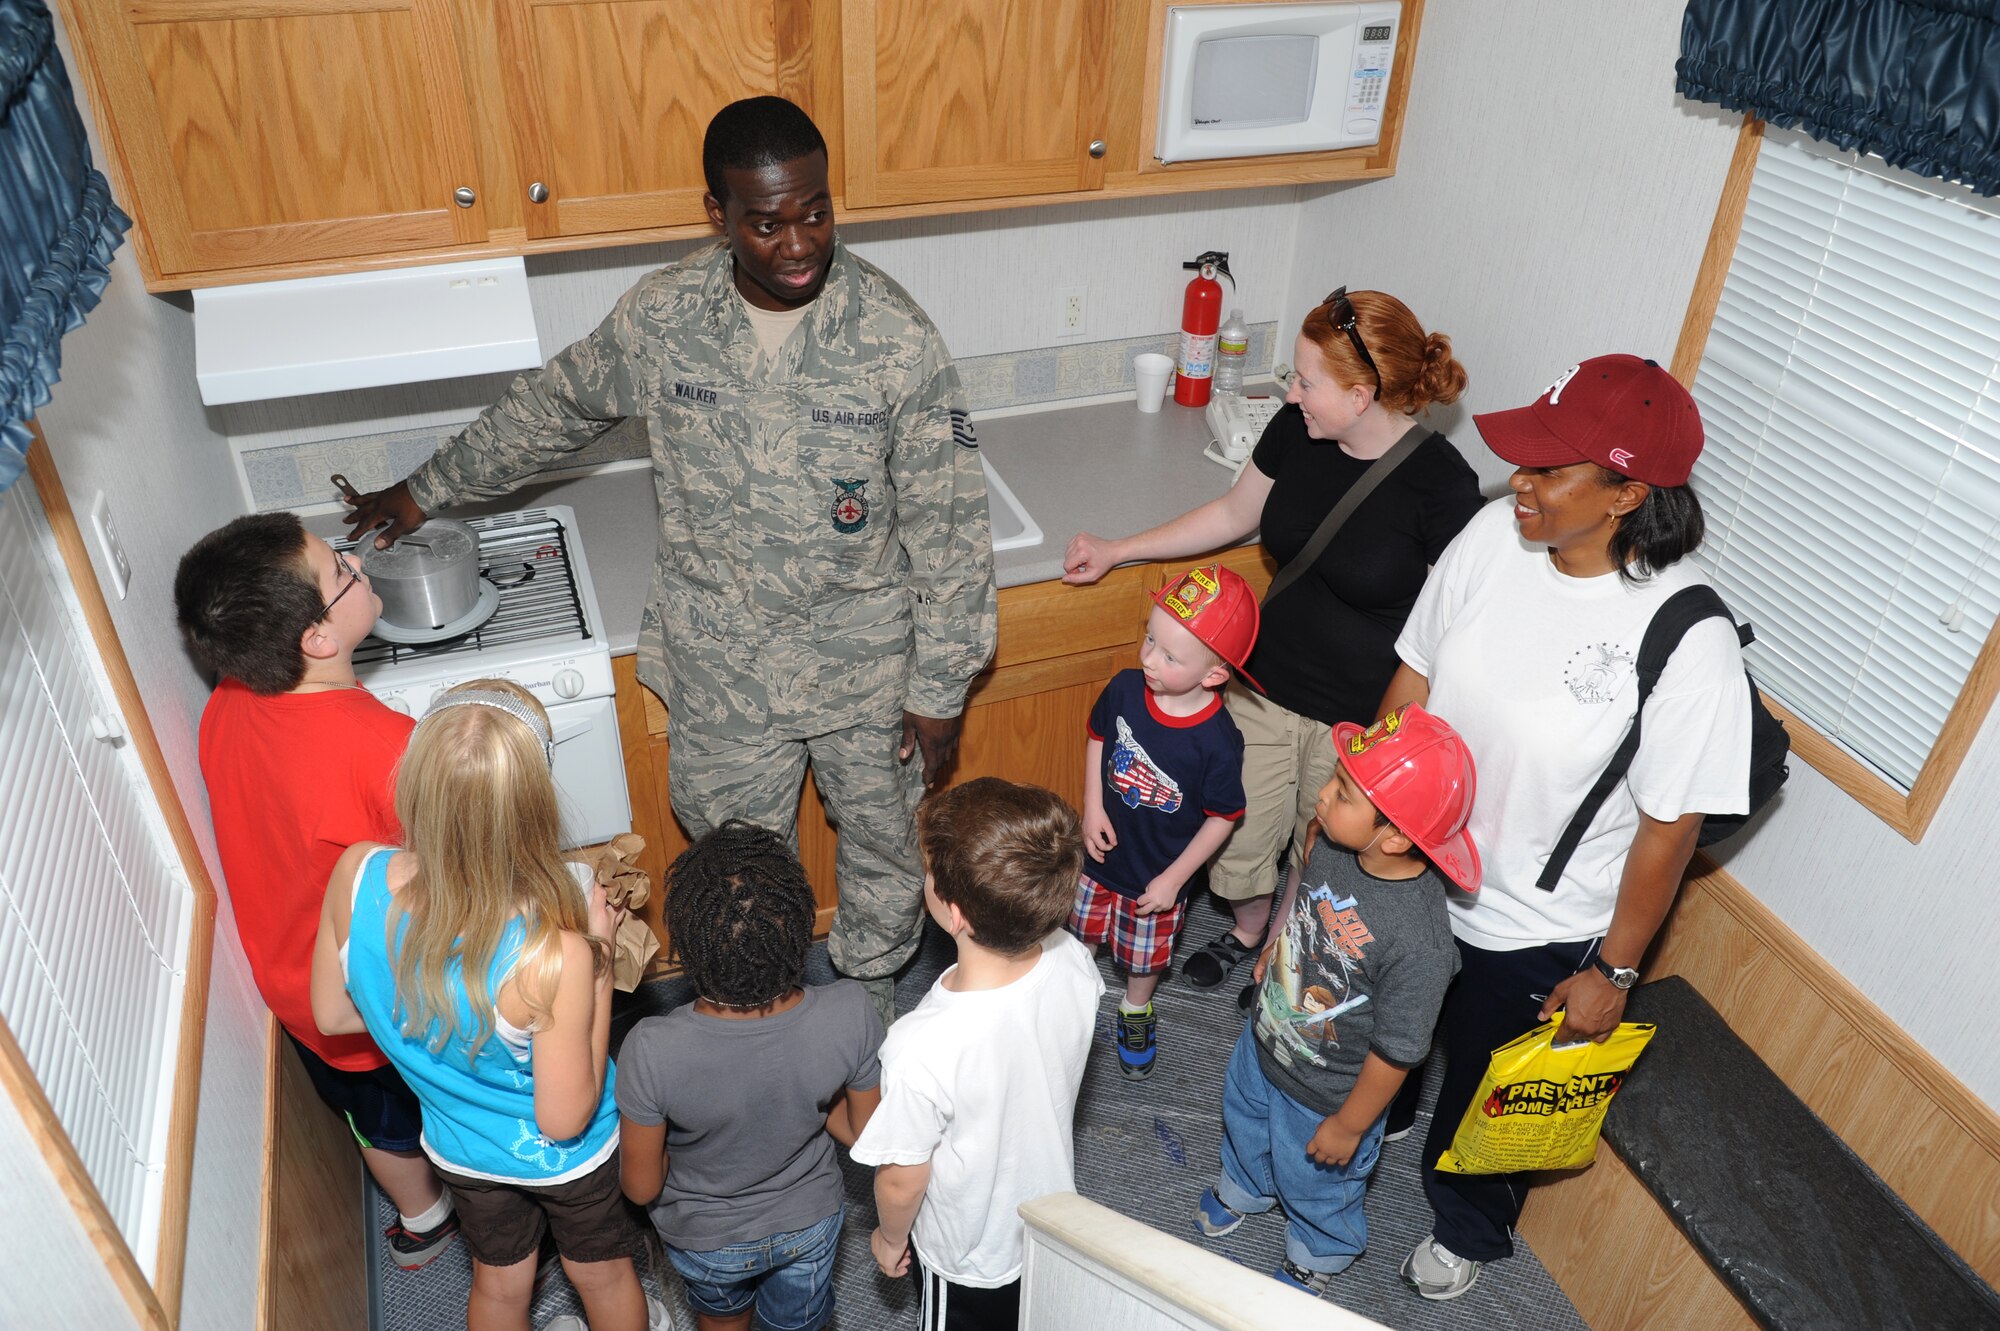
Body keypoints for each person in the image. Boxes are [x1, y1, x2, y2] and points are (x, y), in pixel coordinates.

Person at [339, 95, 996, 1025]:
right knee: (732, 868)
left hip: (865, 666)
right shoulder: (663, 318)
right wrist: (423, 491)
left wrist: (940, 685)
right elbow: (552, 409)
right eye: (766, 223)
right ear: (717, 214)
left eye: (816, 212)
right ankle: (754, 1033)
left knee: (886, 853)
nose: (799, 242)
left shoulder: (895, 337)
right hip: (721, 662)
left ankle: (869, 1020)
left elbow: (949, 525)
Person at [1382, 355, 1751, 1301]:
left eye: (1551, 471)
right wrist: (1365, 809)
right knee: (1393, 1017)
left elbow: (1668, 832)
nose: (1520, 483)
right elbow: (1414, 674)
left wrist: (1613, 973)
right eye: (1525, 461)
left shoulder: (1688, 636)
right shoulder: (1492, 537)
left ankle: (1467, 1220)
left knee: (1484, 1094)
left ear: (1629, 491)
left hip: (1534, 922)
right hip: (1415, 862)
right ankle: (1384, 1097)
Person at [1063, 289, 1481, 1001]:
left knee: (1317, 855)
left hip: (1354, 716)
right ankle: (1251, 926)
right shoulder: (1296, 429)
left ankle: (1276, 946)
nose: (1291, 392)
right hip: (1258, 687)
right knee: (1239, 851)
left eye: (1305, 381)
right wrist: (1119, 549)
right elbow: (1232, 512)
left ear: (1359, 393)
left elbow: (1457, 626)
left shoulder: (1443, 490)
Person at [309, 680, 662, 1331]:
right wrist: (600, 961)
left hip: (458, 1146)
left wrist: (437, 1016)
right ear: (532, 805)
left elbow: (332, 1015)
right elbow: (564, 1117)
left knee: (500, 1287)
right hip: (568, 1160)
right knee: (603, 1272)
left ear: (415, 781)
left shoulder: (356, 874)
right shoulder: (551, 954)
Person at [173, 513, 458, 1269]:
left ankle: (421, 1218)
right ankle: (457, 1189)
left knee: (368, 1121)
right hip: (374, 993)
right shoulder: (385, 748)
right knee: (419, 1104)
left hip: (294, 985)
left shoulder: (228, 699)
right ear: (317, 640)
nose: (359, 564)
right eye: (341, 569)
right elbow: (440, 875)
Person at [1193, 703, 1476, 1295]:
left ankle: (1320, 1251)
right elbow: (1308, 904)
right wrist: (1278, 947)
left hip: (1330, 1092)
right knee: (1244, 1116)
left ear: (1396, 835)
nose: (1322, 796)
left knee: (1317, 1177)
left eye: (1344, 793)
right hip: (1267, 1035)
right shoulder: (1331, 844)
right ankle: (1246, 1183)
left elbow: (1399, 1051)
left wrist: (1350, 1125)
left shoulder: (1419, 941)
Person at [851, 779, 1101, 1330]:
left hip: (968, 1255)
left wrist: (890, 1238)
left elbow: (900, 1179)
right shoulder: (1075, 960)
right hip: (1049, 1217)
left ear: (956, 914)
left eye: (929, 872)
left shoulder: (920, 1046)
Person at [617, 821, 884, 1331]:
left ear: (689, 946)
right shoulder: (851, 1010)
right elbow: (864, 1135)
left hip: (706, 1239)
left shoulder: (650, 1049)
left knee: (720, 1318)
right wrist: (814, 1101)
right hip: (810, 1224)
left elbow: (640, 1187)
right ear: (802, 921)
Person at [1073, 563, 1251, 1078]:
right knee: (1079, 933)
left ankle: (1135, 1010)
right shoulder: (1126, 688)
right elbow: (1098, 735)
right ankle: (1072, 1000)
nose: (1149, 659)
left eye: (1170, 656)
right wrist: (1092, 804)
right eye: (1150, 640)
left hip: (1158, 874)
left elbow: (1224, 816)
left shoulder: (1217, 739)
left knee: (1143, 957)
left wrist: (1176, 878)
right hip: (1099, 853)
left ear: (1214, 675)